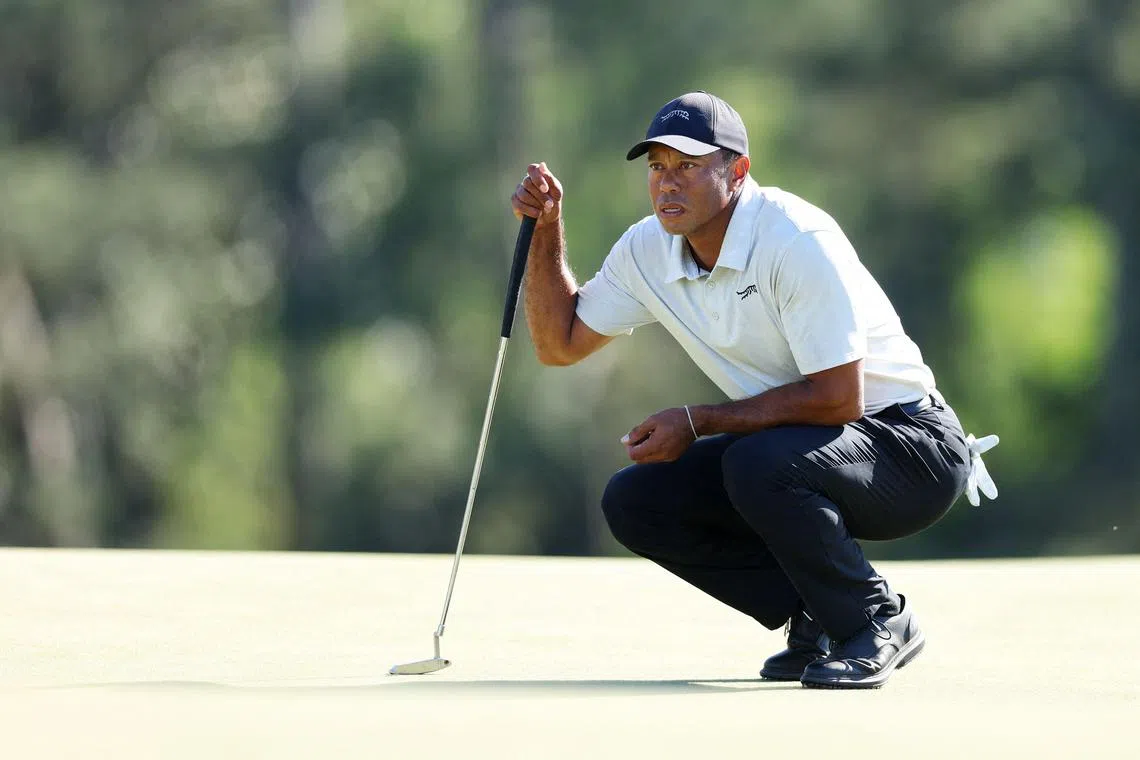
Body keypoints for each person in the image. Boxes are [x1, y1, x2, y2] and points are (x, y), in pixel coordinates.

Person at [509, 91, 998, 689]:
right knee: (636, 500)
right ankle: (817, 616)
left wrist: (697, 420)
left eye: (687, 166)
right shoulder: (648, 249)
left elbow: (838, 398)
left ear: (737, 170)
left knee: (756, 464)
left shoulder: (793, 239)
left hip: (913, 448)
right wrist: (546, 230)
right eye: (657, 167)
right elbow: (559, 344)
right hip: (810, 446)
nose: (668, 183)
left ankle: (874, 618)